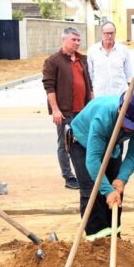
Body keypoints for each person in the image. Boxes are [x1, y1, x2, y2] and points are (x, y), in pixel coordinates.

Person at [68, 89, 134, 240]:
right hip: (82, 142)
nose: (130, 129)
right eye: (127, 124)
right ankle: (97, 242)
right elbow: (92, 160)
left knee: (116, 191)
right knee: (94, 191)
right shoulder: (103, 117)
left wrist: (121, 179)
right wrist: (106, 190)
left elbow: (133, 155)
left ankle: (114, 238)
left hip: (112, 146)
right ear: (120, 109)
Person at [42, 27, 94, 189]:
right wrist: (55, 109)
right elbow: (49, 87)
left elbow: (89, 85)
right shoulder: (53, 61)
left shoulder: (82, 60)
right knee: (65, 144)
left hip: (82, 111)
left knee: (83, 142)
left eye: (79, 40)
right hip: (65, 111)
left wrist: (91, 107)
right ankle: (68, 176)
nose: (77, 43)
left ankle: (83, 174)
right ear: (64, 39)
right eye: (74, 40)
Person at [87, 21, 133, 96]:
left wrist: (129, 96)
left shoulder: (123, 50)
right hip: (100, 96)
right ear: (101, 34)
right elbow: (90, 75)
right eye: (106, 33)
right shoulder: (92, 51)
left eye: (112, 33)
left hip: (120, 96)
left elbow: (129, 75)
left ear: (115, 33)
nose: (109, 36)